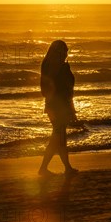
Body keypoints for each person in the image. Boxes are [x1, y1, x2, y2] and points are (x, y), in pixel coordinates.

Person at [38, 40, 79, 176]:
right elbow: (52, 90)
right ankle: (51, 168)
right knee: (59, 138)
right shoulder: (55, 67)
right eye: (63, 51)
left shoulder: (53, 65)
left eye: (66, 52)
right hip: (57, 108)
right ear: (57, 52)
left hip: (58, 107)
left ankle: (63, 167)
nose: (65, 54)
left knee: (59, 139)